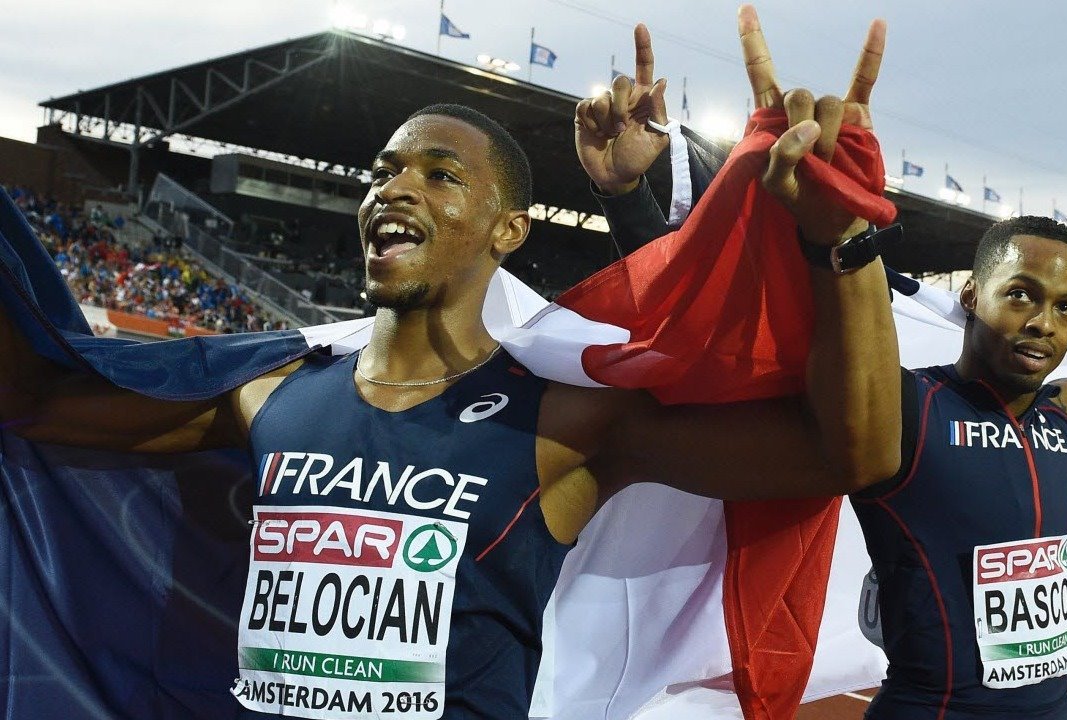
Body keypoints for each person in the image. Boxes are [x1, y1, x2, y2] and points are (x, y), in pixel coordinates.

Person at [0, 8, 893, 719]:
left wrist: (842, 243)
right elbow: (34, 402)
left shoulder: (561, 422)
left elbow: (849, 455)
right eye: (384, 172)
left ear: (509, 231)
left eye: (440, 175)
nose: (395, 187)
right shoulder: (270, 396)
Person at [585, 18, 1067, 720]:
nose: (1045, 321)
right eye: (1022, 295)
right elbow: (717, 339)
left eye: (1065, 307)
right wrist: (631, 198)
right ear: (972, 296)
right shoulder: (905, 412)